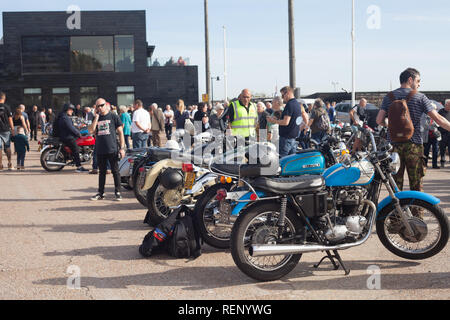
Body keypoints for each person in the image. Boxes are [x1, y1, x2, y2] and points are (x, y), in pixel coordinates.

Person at [376, 68, 450, 193]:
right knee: (416, 185)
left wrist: (390, 126)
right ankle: (416, 211)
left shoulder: (389, 97)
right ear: (410, 80)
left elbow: (379, 120)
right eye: (418, 80)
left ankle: (396, 212)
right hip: (414, 145)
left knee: (395, 186)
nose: (419, 84)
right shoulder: (420, 97)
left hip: (393, 146)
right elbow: (438, 119)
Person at [89, 98, 126, 201]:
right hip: (100, 149)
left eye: (101, 105)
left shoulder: (113, 116)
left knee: (115, 171)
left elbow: (120, 132)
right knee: (102, 172)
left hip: (112, 148)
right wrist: (96, 117)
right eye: (97, 106)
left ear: (106, 105)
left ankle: (118, 192)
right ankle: (101, 193)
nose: (100, 108)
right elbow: (91, 130)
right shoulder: (96, 118)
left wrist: (122, 148)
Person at [267, 86, 309, 157]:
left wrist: (273, 120)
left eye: (283, 95)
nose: (282, 98)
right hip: (293, 137)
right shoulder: (297, 104)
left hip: (286, 138)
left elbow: (286, 122)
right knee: (292, 161)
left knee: (282, 160)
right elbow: (295, 120)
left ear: (288, 93)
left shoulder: (289, 105)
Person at [57, 103, 89, 173]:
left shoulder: (64, 117)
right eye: (70, 109)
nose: (72, 111)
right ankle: (79, 167)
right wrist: (78, 133)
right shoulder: (65, 118)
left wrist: (78, 127)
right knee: (76, 149)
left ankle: (75, 160)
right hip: (67, 137)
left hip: (65, 135)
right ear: (66, 110)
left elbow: (71, 126)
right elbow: (70, 128)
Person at [0, 92, 14, 170]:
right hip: (5, 130)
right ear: (4, 98)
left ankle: (0, 165)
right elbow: (10, 119)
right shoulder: (7, 107)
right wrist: (12, 129)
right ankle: (9, 163)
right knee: (7, 147)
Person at [438, 100, 450, 167]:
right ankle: (442, 161)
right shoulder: (440, 111)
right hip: (442, 133)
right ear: (446, 105)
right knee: (442, 148)